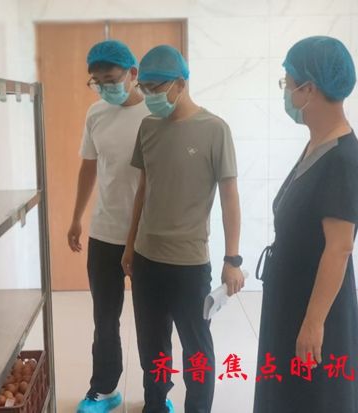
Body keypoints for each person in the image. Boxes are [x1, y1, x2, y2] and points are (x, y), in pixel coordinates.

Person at [122, 45, 245, 413]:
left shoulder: (215, 129)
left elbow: (230, 197)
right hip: (147, 259)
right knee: (152, 347)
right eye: (144, 88)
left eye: (156, 88)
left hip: (189, 264)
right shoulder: (148, 127)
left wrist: (233, 259)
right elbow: (143, 189)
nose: (149, 96)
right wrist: (129, 245)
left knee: (196, 350)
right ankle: (155, 405)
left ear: (180, 83)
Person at [254, 36, 358, 413]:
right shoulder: (318, 144)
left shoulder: (343, 160)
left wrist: (313, 323)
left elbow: (339, 247)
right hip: (291, 296)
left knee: (313, 397)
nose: (286, 93)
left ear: (310, 89)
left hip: (314, 305)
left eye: (288, 83)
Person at [68, 39, 149, 413]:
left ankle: (157, 394)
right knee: (104, 317)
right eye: (97, 82)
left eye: (111, 80)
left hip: (148, 236)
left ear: (132, 74)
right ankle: (104, 389)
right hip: (105, 233)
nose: (104, 88)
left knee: (152, 321)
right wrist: (76, 217)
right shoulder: (96, 113)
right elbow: (88, 166)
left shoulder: (155, 113)